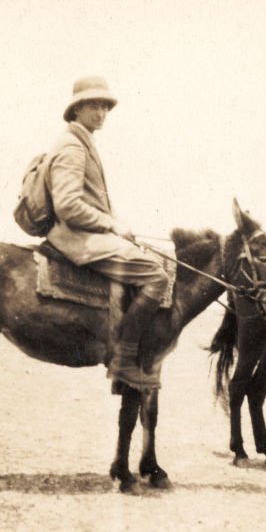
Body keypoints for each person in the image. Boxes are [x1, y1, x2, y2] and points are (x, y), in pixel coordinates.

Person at [46, 76, 168, 388]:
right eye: (93, 105)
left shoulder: (82, 142)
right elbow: (67, 204)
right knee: (156, 276)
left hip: (87, 234)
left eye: (104, 106)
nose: (101, 113)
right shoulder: (73, 146)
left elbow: (91, 200)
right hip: (76, 239)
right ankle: (124, 361)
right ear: (76, 110)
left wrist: (119, 226)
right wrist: (111, 225)